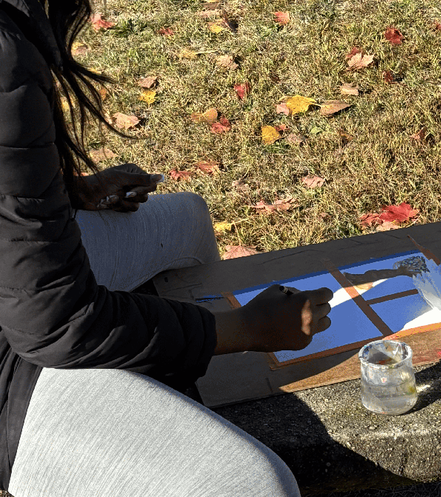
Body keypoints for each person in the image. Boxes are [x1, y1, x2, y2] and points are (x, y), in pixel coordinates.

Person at [0, 0, 334, 495]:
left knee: (187, 220)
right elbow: (55, 327)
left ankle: (195, 404)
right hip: (17, 366)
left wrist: (63, 190)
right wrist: (244, 328)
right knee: (254, 484)